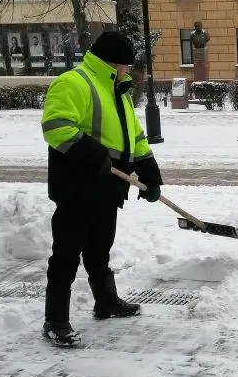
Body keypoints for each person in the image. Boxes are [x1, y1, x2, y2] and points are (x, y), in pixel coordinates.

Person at [40, 30, 163, 348]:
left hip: (109, 185)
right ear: (113, 63)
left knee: (99, 249)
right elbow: (55, 126)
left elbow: (134, 135)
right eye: (126, 65)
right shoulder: (73, 82)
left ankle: (105, 302)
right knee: (66, 254)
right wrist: (92, 153)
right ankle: (55, 320)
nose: (129, 71)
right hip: (78, 185)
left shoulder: (118, 90)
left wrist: (149, 169)